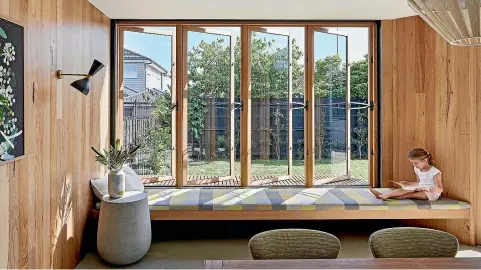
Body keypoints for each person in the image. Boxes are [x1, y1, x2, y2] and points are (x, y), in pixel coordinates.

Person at [369, 148, 443, 201]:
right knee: (403, 189)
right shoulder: (417, 169)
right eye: (413, 163)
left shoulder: (435, 172)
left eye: (416, 163)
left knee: (408, 195)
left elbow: (440, 188)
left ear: (425, 160)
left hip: (431, 193)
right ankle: (385, 195)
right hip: (420, 188)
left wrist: (428, 189)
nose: (414, 165)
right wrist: (408, 183)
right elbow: (418, 183)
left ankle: (384, 196)